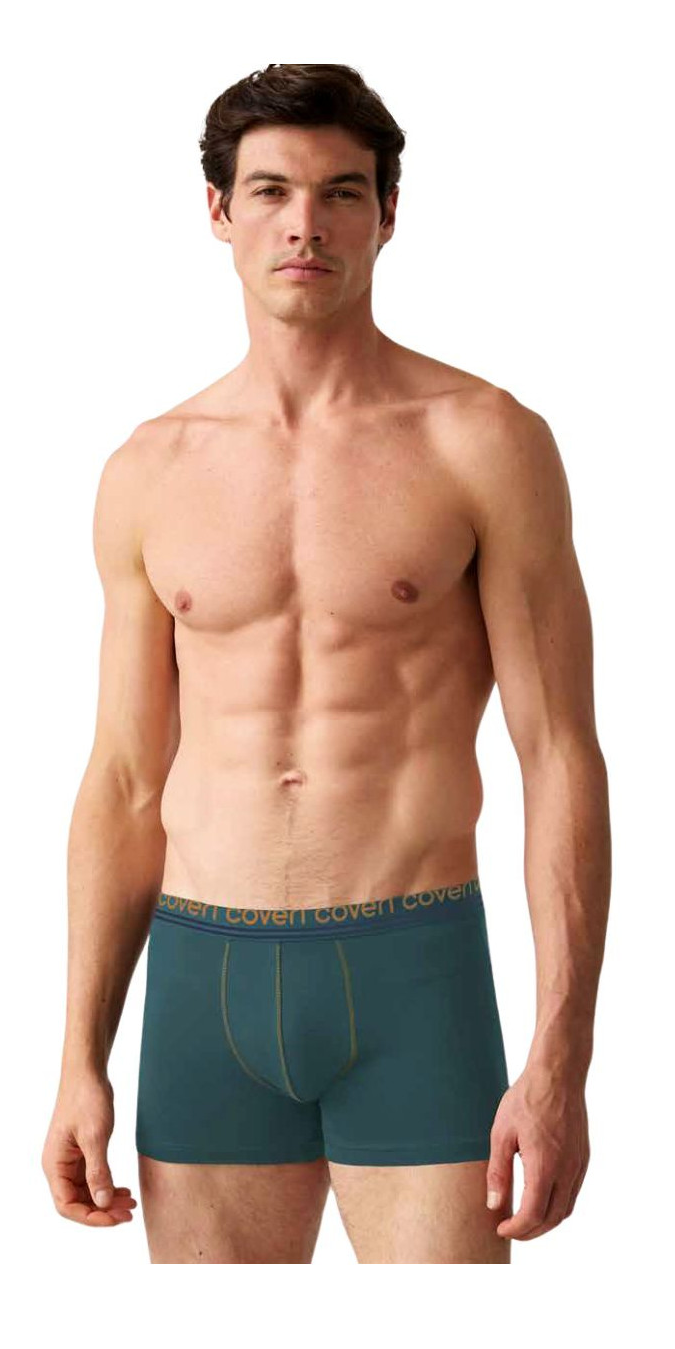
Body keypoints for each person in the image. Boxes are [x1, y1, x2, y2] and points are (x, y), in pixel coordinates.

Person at [41, 63, 611, 1264]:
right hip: (202, 979)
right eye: (271, 191)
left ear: (386, 213)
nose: (305, 224)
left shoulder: (484, 442)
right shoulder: (148, 469)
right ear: (219, 211)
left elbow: (557, 753)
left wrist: (559, 1057)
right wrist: (78, 1058)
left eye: (341, 192)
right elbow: (125, 782)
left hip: (414, 974)